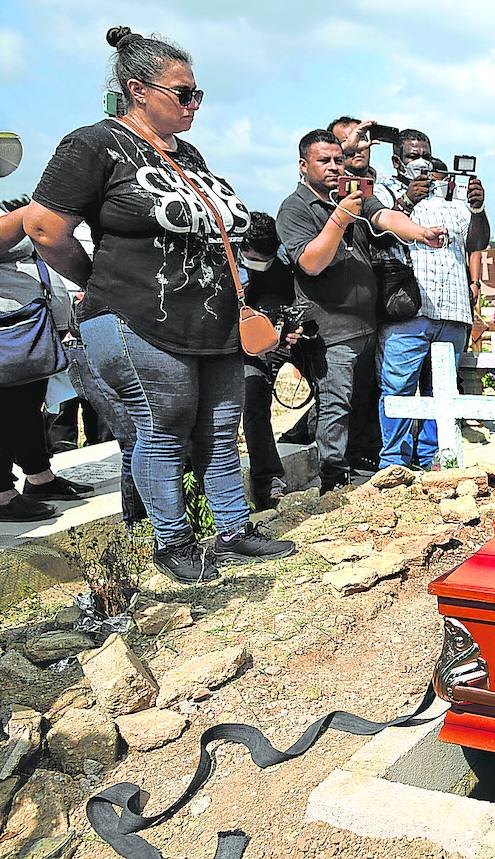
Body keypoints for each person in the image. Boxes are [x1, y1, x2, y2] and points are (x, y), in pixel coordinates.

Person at [24, 27, 295, 580]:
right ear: (137, 89)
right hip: (136, 319)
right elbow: (45, 228)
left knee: (222, 427)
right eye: (183, 93)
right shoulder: (92, 144)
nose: (194, 104)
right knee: (163, 425)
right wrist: (100, 281)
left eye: (198, 94)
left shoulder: (187, 153)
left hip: (211, 318)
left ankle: (233, 529)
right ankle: (171, 541)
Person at [276, 130, 447, 493]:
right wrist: (339, 218)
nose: (334, 168)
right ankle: (333, 482)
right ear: (304, 165)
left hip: (368, 325)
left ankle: (364, 472)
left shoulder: (351, 196)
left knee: (366, 403)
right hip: (331, 332)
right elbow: (310, 262)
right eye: (325, 161)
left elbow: (383, 216)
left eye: (338, 160)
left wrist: (419, 233)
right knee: (335, 407)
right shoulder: (295, 208)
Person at [377, 157, 491, 470]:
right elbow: (379, 233)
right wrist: (408, 198)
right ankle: (393, 465)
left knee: (440, 390)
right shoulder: (388, 194)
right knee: (398, 388)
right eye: (421, 170)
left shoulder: (457, 204)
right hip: (410, 311)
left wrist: (478, 209)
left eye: (434, 171)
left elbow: (478, 242)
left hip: (454, 310)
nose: (429, 177)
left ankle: (432, 459)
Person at [0, 203, 93, 522]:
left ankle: (40, 477)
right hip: (9, 322)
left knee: (26, 405)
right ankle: (1, 494)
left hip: (26, 319)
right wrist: (33, 214)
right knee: (7, 407)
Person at [240, 212, 304, 507]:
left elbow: (292, 302)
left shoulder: (281, 266)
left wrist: (291, 330)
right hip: (222, 344)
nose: (259, 266)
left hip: (267, 344)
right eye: (254, 258)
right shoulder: (222, 263)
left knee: (256, 402)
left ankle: (268, 480)